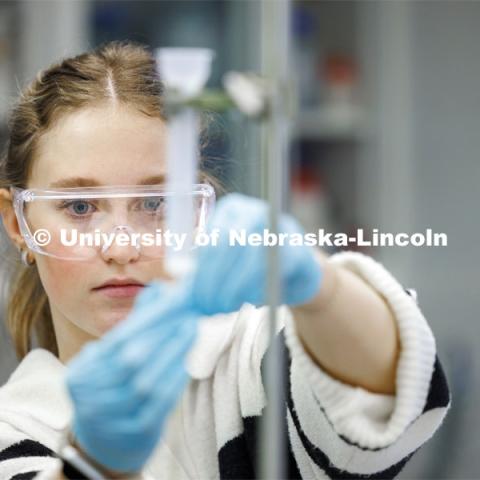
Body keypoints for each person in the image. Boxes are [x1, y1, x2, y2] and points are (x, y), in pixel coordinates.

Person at [0, 41, 450, 480]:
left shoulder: (245, 362)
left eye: (157, 204)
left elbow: (391, 393)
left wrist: (322, 288)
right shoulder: (14, 426)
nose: (121, 249)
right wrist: (91, 465)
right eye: (80, 208)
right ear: (18, 223)